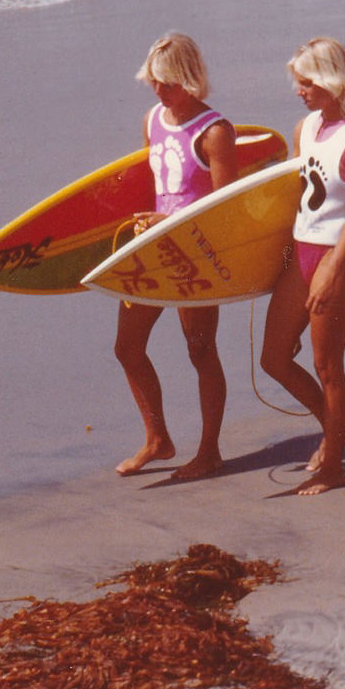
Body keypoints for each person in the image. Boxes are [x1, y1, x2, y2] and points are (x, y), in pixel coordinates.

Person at [114, 33, 238, 480]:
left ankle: (209, 452)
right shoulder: (153, 119)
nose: (157, 91)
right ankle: (158, 440)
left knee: (201, 350)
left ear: (189, 80)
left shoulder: (216, 133)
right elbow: (154, 187)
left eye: (165, 83)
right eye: (152, 81)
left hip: (198, 252)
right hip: (155, 247)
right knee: (127, 347)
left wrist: (171, 222)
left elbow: (225, 211)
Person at [260, 37, 345, 495]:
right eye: (298, 82)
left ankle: (334, 464)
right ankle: (337, 429)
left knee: (328, 367)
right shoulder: (305, 127)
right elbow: (292, 195)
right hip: (300, 255)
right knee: (274, 359)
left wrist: (332, 268)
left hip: (338, 260)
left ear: (332, 82)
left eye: (306, 82)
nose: (299, 90)